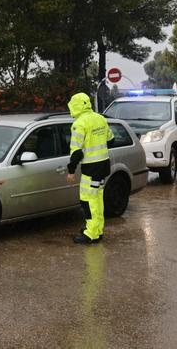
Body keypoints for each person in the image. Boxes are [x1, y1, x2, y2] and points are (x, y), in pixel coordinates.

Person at [66, 92, 114, 245]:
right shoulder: (100, 118)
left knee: (87, 201)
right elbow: (111, 140)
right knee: (98, 199)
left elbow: (77, 152)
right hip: (103, 166)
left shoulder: (79, 124)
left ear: (76, 106)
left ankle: (91, 234)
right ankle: (97, 230)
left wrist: (71, 171)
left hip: (91, 169)